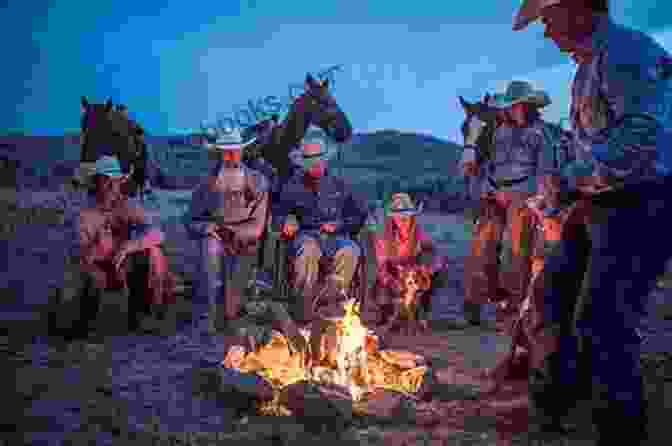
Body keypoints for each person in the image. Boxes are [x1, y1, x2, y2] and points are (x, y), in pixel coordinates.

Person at [513, 0, 672, 442]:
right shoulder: (589, 67)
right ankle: (556, 412)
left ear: (576, 8)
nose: (546, 33)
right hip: (599, 203)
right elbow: (593, 147)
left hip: (643, 201)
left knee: (603, 319)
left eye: (548, 20)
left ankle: (619, 431)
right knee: (550, 299)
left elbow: (641, 140)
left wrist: (565, 181)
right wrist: (557, 191)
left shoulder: (626, 54)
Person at [460, 81, 558, 326]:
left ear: (528, 106)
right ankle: (477, 299)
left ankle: (514, 305)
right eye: (510, 106)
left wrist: (520, 195)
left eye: (517, 106)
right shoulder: (499, 132)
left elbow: (544, 172)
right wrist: (488, 190)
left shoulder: (540, 134)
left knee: (517, 246)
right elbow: (488, 167)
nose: (513, 110)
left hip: (524, 196)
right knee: (483, 242)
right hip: (495, 193)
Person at [74, 156, 174, 337]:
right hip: (98, 270)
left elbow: (158, 234)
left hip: (124, 267)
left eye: (115, 181)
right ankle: (87, 324)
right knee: (91, 276)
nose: (112, 186)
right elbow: (81, 259)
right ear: (96, 183)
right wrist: (100, 250)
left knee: (153, 252)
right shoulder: (87, 216)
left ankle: (144, 315)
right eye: (107, 181)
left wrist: (126, 247)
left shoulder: (127, 207)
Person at [274, 135, 368, 324]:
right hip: (305, 234)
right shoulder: (291, 186)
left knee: (350, 251)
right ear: (303, 163)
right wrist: (286, 221)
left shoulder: (340, 185)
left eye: (319, 161)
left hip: (337, 236)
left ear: (325, 160)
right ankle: (303, 308)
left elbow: (359, 216)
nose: (316, 165)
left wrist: (340, 225)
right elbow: (278, 213)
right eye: (311, 161)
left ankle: (333, 304)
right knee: (309, 250)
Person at [184, 128, 269, 334]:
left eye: (235, 150)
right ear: (219, 153)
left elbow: (257, 226)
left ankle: (233, 314)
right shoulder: (207, 183)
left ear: (242, 151)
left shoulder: (258, 182)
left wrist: (229, 230)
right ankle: (209, 315)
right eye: (225, 151)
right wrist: (206, 227)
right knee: (210, 247)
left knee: (235, 302)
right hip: (215, 239)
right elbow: (190, 219)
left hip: (245, 241)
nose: (231, 155)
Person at [363, 193, 450, 331]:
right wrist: (394, 282)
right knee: (384, 297)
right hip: (394, 274)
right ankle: (388, 312)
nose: (403, 220)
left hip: (414, 272)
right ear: (393, 218)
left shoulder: (419, 229)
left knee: (439, 274)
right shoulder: (383, 234)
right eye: (398, 217)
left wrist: (427, 269)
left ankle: (422, 312)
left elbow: (436, 254)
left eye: (406, 216)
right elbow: (381, 267)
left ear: (411, 216)